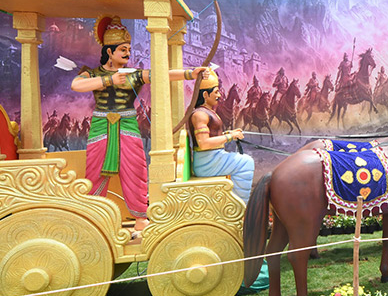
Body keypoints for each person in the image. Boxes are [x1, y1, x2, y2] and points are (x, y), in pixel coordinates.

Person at [70, 16, 206, 235]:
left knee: (135, 169)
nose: (127, 53)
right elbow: (76, 85)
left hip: (127, 124)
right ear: (109, 52)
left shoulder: (132, 75)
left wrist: (191, 73)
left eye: (129, 49)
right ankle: (94, 218)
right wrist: (109, 81)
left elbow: (161, 75)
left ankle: (141, 220)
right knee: (94, 171)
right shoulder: (92, 73)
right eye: (122, 49)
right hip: (100, 125)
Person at [180, 66, 255, 202]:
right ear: (205, 95)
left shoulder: (206, 111)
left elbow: (211, 135)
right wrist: (230, 137)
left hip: (212, 158)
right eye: (216, 92)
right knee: (246, 163)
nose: (219, 95)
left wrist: (229, 133)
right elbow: (203, 144)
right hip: (207, 162)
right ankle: (241, 207)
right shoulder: (200, 114)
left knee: (244, 161)